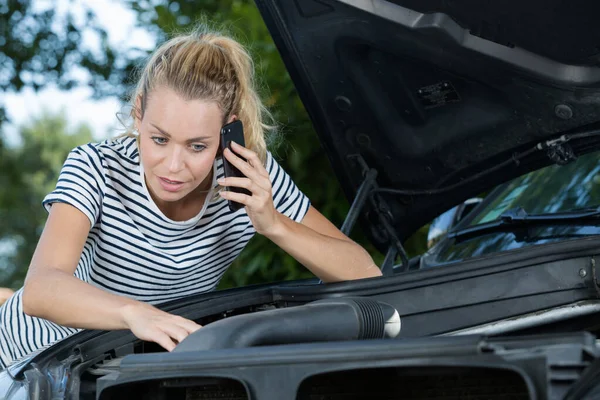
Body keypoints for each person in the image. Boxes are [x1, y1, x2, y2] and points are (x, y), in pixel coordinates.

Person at [0, 25, 381, 368]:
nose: (173, 166)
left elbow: (365, 274)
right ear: (138, 114)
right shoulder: (96, 167)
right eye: (159, 139)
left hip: (118, 369)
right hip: (22, 358)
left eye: (197, 146)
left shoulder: (250, 180)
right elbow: (41, 289)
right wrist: (138, 314)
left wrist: (275, 224)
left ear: (227, 132)